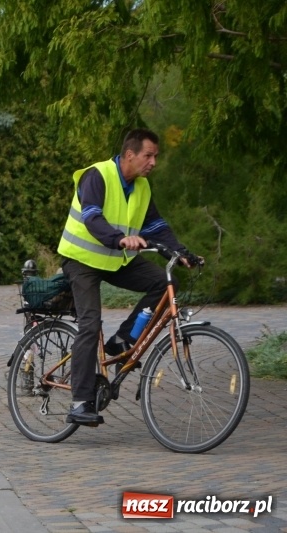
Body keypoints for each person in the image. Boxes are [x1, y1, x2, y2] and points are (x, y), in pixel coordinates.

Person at [57, 128, 201, 426]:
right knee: (89, 323)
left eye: (156, 156)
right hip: (81, 259)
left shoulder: (142, 187)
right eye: (148, 156)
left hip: (115, 259)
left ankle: (124, 339)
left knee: (162, 282)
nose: (153, 162)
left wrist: (182, 252)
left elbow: (156, 227)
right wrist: (119, 238)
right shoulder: (97, 176)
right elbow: (92, 216)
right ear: (130, 154)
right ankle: (80, 402)